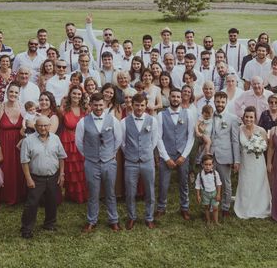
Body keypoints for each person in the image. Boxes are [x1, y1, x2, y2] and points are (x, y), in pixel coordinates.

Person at [76, 92, 124, 232]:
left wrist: (111, 154)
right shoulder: (83, 122)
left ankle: (113, 219)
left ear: (105, 105)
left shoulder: (113, 120)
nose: (98, 107)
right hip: (91, 162)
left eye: (100, 105)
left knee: (110, 192)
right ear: (90, 105)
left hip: (109, 161)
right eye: (95, 105)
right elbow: (79, 143)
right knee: (93, 193)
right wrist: (89, 155)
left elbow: (118, 139)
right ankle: (92, 220)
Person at [20, 115, 67, 239]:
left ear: (49, 126)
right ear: (35, 126)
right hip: (36, 177)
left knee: (52, 201)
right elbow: (24, 161)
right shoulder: (28, 141)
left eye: (45, 125)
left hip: (53, 176)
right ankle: (27, 228)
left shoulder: (56, 139)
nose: (43, 128)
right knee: (32, 203)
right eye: (40, 125)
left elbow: (61, 157)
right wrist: (28, 178)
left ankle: (50, 224)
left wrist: (62, 173)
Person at [155, 89, 195, 220]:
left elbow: (191, 137)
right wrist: (166, 158)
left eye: (178, 97)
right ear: (169, 98)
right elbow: (158, 138)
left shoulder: (188, 113)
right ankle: (161, 207)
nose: (176, 99)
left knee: (184, 183)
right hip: (166, 154)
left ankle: (184, 207)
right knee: (163, 183)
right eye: (173, 96)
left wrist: (184, 155)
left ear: (181, 98)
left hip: (183, 154)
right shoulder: (161, 115)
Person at [122, 93, 159, 230]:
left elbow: (154, 140)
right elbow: (122, 143)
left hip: (147, 160)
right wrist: (131, 154)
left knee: (150, 190)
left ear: (145, 105)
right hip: (131, 161)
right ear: (132, 105)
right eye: (137, 105)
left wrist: (146, 152)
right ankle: (131, 217)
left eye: (142, 105)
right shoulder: (124, 122)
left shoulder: (152, 121)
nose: (139, 108)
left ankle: (149, 217)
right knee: (130, 191)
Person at [234, 106, 271, 219]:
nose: (248, 119)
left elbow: (266, 146)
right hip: (245, 160)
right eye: (246, 117)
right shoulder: (239, 129)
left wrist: (257, 147)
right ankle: (245, 207)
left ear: (255, 118)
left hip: (258, 161)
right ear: (243, 117)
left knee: (259, 182)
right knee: (246, 182)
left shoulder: (261, 130)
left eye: (251, 117)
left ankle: (259, 207)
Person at [59, 85, 88, 203]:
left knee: (82, 168)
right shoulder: (63, 109)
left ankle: (84, 194)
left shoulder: (85, 109)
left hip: (82, 140)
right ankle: (71, 194)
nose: (76, 96)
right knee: (71, 169)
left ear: (82, 96)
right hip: (68, 141)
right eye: (74, 93)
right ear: (70, 94)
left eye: (79, 94)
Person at [195, 154, 222, 225]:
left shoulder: (215, 173)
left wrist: (218, 194)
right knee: (206, 207)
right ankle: (208, 220)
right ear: (202, 164)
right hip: (205, 193)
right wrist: (198, 195)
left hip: (214, 192)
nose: (208, 166)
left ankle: (216, 221)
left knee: (215, 208)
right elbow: (197, 185)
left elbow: (218, 184)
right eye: (206, 164)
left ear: (212, 165)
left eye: (210, 164)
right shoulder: (200, 174)